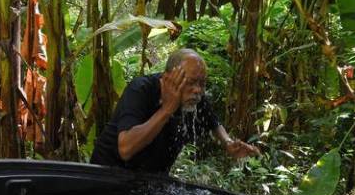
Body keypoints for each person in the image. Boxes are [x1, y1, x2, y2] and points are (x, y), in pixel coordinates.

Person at [90, 48, 259, 174]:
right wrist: (167, 110)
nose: (197, 90)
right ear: (167, 78)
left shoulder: (194, 98)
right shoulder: (140, 90)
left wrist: (228, 143)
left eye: (202, 83)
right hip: (107, 174)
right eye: (191, 82)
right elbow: (126, 149)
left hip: (150, 180)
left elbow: (213, 122)